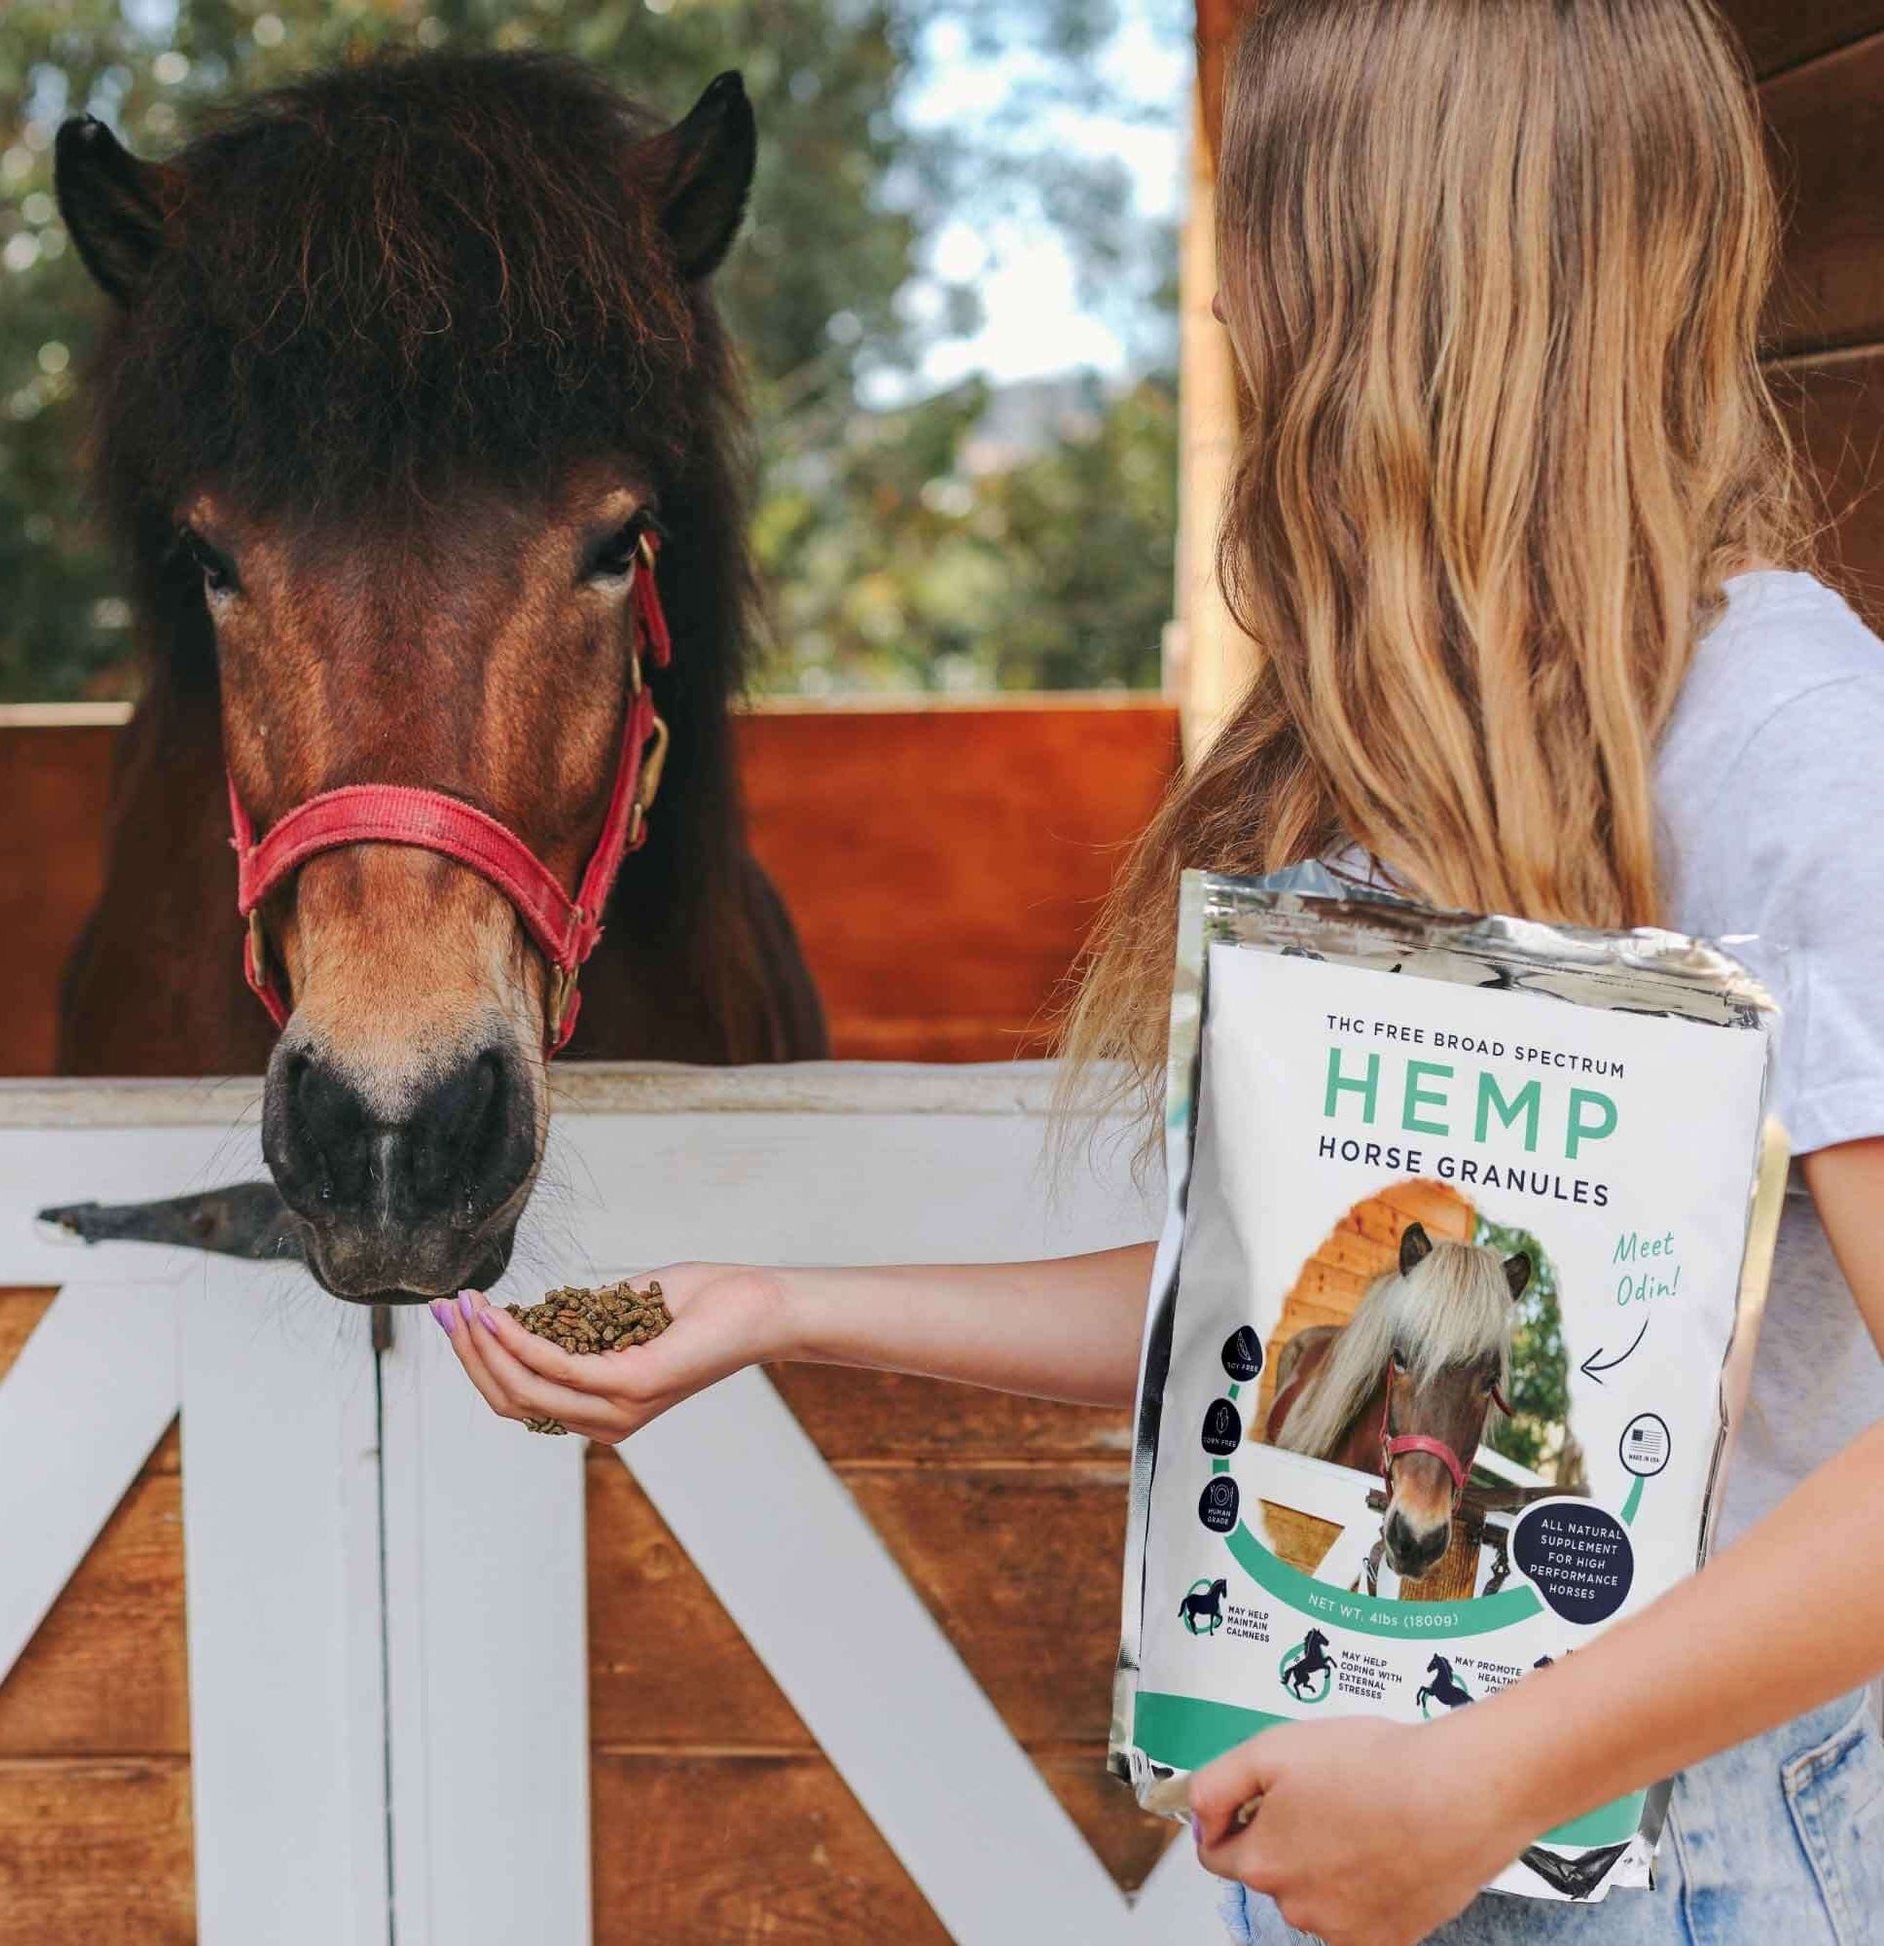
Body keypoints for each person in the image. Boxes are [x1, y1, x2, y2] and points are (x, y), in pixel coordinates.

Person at [431, 1, 1884, 1938]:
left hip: (1675, 1858)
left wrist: (1486, 1779)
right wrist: (778, 1301)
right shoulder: (1404, 741)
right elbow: (1276, 1323)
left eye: (1264, 243)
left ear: (1410, 289)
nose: (1234, 323)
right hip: (1385, 1806)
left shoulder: (1789, 740)